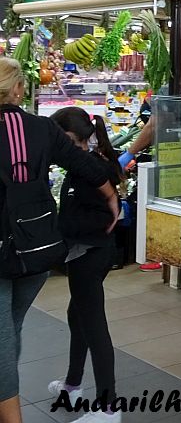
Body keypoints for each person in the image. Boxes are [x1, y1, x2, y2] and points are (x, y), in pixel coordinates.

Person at [0, 59, 119, 423]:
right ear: (19, 90)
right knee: (11, 327)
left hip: (2, 248)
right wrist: (111, 196)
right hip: (39, 246)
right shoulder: (42, 129)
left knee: (2, 339)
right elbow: (86, 165)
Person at [48, 107, 141, 423]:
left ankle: (108, 407)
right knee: (77, 317)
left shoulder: (89, 168)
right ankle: (73, 385)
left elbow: (103, 219)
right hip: (86, 254)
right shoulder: (87, 163)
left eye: (64, 140)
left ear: (76, 139)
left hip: (90, 254)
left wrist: (61, 228)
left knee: (94, 327)